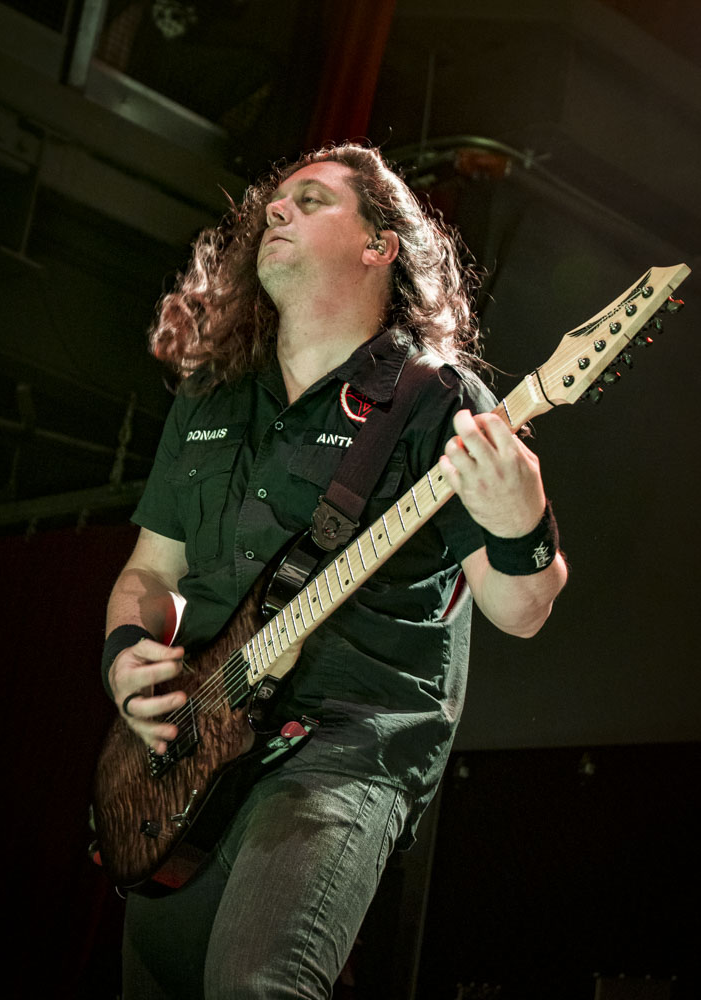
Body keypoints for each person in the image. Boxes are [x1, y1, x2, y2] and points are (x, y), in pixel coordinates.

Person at [101, 142, 568, 999]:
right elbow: (149, 571)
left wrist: (520, 522)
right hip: (192, 754)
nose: (275, 210)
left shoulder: (435, 402)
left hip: (345, 749)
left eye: (311, 200)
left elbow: (521, 609)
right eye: (274, 202)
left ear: (378, 245)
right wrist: (125, 657)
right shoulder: (212, 396)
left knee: (257, 985)